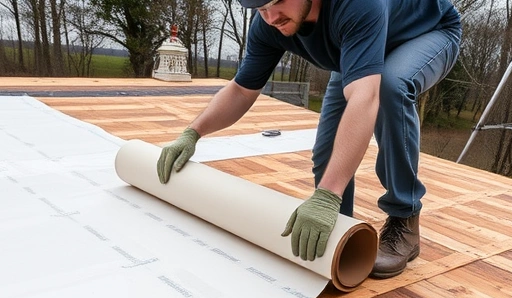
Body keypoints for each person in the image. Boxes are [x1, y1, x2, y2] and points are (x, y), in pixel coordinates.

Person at [157, 0, 461, 278]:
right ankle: (342, 229)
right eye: (261, 8)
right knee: (328, 154)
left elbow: (364, 98)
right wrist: (193, 133)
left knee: (391, 87)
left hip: (424, 33)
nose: (271, 17)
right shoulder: (268, 22)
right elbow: (240, 90)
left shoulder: (356, 4)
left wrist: (328, 195)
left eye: (277, 2)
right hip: (356, 49)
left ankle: (404, 219)